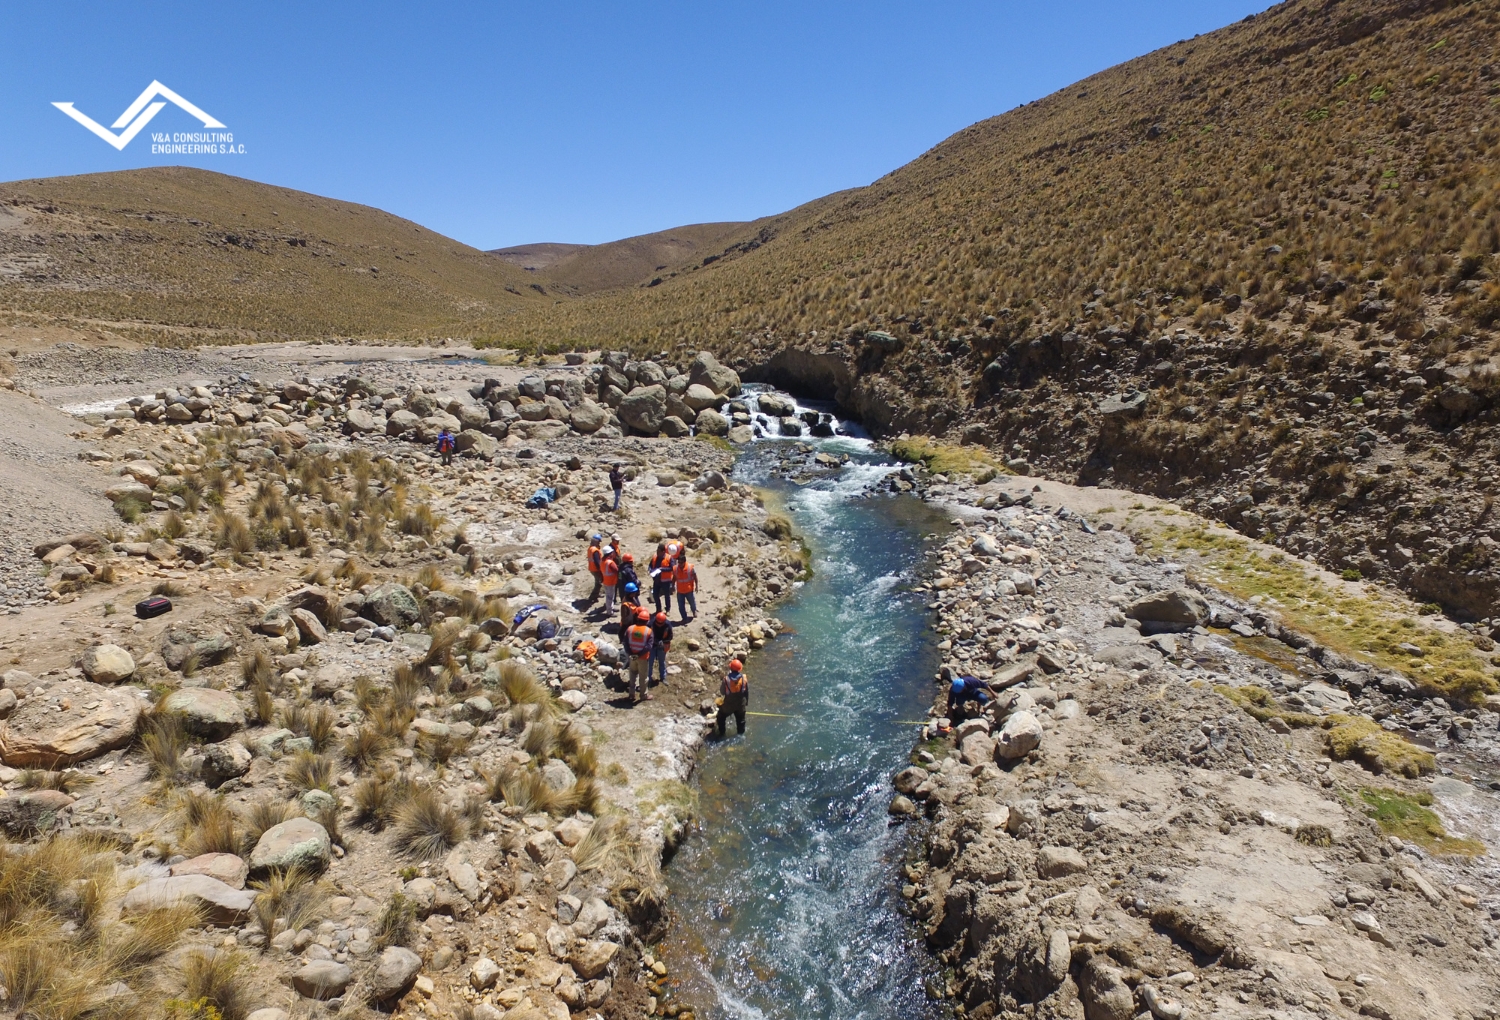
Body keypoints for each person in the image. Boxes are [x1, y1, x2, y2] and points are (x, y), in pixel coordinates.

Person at [624, 608, 655, 702]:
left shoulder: (630, 628)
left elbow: (625, 642)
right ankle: (643, 695)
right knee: (643, 677)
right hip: (643, 657)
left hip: (632, 656)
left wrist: (631, 653)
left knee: (632, 674)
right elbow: (649, 646)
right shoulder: (649, 631)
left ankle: (631, 694)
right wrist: (639, 654)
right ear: (647, 621)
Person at [717, 659, 748, 736]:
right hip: (741, 705)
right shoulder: (744, 678)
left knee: (720, 717)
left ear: (731, 668)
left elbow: (722, 692)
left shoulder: (726, 679)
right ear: (740, 669)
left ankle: (722, 733)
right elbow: (746, 692)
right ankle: (741, 734)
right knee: (741, 721)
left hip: (728, 706)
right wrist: (746, 703)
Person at [649, 543, 674, 612]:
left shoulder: (669, 558)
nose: (657, 553)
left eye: (659, 551)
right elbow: (650, 565)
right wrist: (650, 570)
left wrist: (662, 569)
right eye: (657, 551)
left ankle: (668, 609)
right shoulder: (655, 557)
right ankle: (658, 608)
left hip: (665, 581)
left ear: (663, 552)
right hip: (656, 580)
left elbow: (672, 568)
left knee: (666, 595)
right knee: (655, 594)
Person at [649, 610, 673, 685]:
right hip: (652, 645)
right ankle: (648, 679)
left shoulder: (668, 625)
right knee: (649, 662)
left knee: (662, 662)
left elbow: (670, 636)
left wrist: (663, 641)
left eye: (661, 623)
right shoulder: (651, 623)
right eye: (658, 623)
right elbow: (647, 634)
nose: (659, 625)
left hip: (662, 646)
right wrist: (654, 641)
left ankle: (663, 677)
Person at [674, 558, 698, 622]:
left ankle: (694, 611)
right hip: (680, 591)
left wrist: (696, 586)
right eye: (679, 562)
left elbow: (695, 576)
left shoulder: (690, 568)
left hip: (689, 590)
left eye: (681, 563)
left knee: (692, 602)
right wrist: (672, 586)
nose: (680, 564)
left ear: (684, 562)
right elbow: (674, 578)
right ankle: (684, 618)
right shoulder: (676, 569)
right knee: (681, 606)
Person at [600, 545, 620, 614]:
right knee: (610, 597)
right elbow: (616, 570)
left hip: (606, 581)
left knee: (609, 596)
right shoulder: (610, 562)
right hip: (611, 582)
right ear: (610, 553)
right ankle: (609, 612)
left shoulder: (602, 561)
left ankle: (611, 608)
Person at [585, 533, 604, 602]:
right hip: (595, 569)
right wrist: (600, 570)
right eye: (599, 541)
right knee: (598, 583)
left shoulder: (590, 548)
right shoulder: (595, 550)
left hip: (591, 568)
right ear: (596, 541)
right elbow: (597, 562)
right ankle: (593, 597)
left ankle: (596, 594)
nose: (599, 543)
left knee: (597, 582)